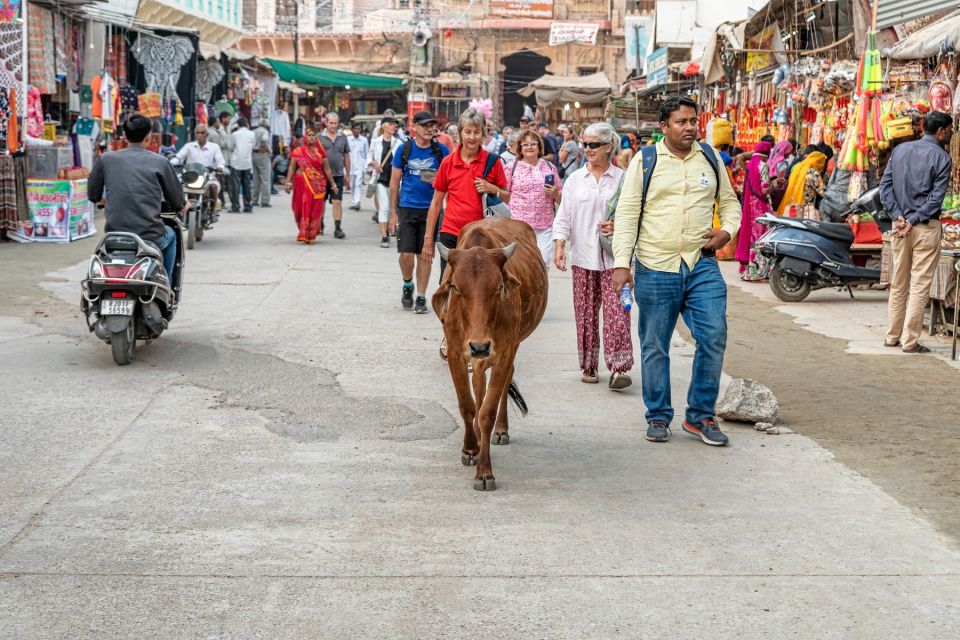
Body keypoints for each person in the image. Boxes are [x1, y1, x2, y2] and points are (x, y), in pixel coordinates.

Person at [611, 96, 740, 446]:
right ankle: (658, 415)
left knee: (713, 335)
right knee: (655, 344)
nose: (689, 127)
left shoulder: (711, 158)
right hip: (656, 265)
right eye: (681, 122)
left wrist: (726, 231)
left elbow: (729, 203)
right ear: (664, 127)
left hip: (701, 264)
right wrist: (622, 263)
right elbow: (627, 213)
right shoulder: (646, 160)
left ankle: (700, 417)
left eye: (693, 121)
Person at [552, 123, 632, 390]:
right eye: (586, 144)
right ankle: (588, 365)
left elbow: (635, 216)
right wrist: (559, 244)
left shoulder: (623, 179)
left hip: (615, 259)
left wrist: (618, 225)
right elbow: (564, 216)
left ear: (609, 147)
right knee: (585, 313)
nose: (588, 149)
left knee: (617, 312)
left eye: (594, 144)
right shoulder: (575, 179)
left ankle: (619, 368)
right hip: (583, 256)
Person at [880, 111, 953, 354]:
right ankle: (909, 341)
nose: (952, 134)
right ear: (941, 131)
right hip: (924, 227)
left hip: (901, 227)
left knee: (898, 283)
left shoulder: (900, 150)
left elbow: (885, 187)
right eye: (950, 130)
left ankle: (892, 336)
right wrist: (910, 219)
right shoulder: (942, 157)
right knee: (920, 285)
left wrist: (898, 216)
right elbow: (935, 199)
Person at [87, 114, 187, 278]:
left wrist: (103, 201)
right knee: (171, 234)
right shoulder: (160, 162)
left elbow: (93, 194)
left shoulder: (106, 159)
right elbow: (177, 201)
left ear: (125, 136)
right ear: (149, 137)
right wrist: (184, 205)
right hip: (151, 237)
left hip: (114, 235)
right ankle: (167, 287)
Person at [421, 108, 507, 280]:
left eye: (477, 132)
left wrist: (492, 188)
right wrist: (428, 238)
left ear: (483, 134)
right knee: (448, 284)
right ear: (460, 133)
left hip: (482, 235)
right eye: (467, 132)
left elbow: (507, 197)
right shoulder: (448, 163)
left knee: (479, 288)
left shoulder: (493, 162)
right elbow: (436, 203)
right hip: (451, 232)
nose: (472, 137)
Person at [389, 111, 450, 312]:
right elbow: (394, 182)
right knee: (406, 254)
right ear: (414, 127)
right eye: (425, 125)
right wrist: (392, 213)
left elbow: (450, 180)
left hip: (431, 210)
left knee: (425, 254)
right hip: (407, 208)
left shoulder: (441, 151)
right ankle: (408, 284)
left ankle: (422, 297)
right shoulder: (404, 149)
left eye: (432, 125)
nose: (429, 129)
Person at [501, 130, 561, 266]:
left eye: (533, 144)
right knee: (521, 267)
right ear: (520, 148)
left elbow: (562, 198)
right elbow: (504, 195)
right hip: (518, 228)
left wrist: (555, 194)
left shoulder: (549, 167)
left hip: (544, 226)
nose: (529, 147)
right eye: (525, 144)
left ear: (539, 146)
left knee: (543, 264)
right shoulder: (511, 168)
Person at [285, 128, 338, 244]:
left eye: (314, 135)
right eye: (309, 135)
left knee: (315, 210)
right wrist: (288, 182)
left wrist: (333, 184)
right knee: (298, 209)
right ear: (305, 137)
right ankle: (303, 230)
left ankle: (310, 233)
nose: (312, 137)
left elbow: (327, 170)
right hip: (301, 184)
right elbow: (292, 167)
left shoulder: (321, 153)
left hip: (317, 186)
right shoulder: (299, 151)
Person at [735, 140, 773, 281]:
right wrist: (775, 184)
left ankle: (747, 272)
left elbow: (740, 158)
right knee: (761, 238)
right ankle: (757, 272)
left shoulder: (750, 165)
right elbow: (764, 190)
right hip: (760, 206)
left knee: (750, 235)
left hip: (750, 205)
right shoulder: (763, 166)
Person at [170, 124, 225, 211]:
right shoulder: (189, 146)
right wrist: (171, 163)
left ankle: (212, 211)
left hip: (208, 179)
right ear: (195, 134)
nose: (200, 135)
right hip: (190, 179)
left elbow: (220, 161)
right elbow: (178, 157)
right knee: (175, 187)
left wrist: (220, 167)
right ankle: (179, 211)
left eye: (202, 133)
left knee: (213, 187)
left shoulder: (214, 147)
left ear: (207, 135)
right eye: (198, 133)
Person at [368, 116, 403, 244]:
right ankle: (384, 236)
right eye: (391, 124)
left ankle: (391, 229)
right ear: (383, 126)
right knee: (384, 207)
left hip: (394, 181)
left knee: (393, 207)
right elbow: (369, 158)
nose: (394, 126)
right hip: (380, 179)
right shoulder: (376, 141)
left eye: (395, 125)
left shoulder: (399, 143)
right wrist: (374, 163)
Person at [319, 112, 350, 239]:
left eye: (335, 123)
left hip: (338, 175)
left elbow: (346, 156)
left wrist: (348, 174)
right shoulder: (319, 137)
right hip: (321, 175)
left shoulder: (343, 137)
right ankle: (319, 225)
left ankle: (337, 228)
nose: (333, 126)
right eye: (331, 123)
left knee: (337, 201)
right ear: (326, 123)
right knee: (321, 201)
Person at [776, 150, 827, 218]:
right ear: (819, 163)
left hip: (789, 205)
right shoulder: (813, 173)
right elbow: (823, 192)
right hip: (804, 209)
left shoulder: (797, 167)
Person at [228, 117, 255, 213]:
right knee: (247, 185)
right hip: (247, 162)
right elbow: (254, 146)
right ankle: (248, 206)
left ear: (238, 125)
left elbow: (230, 147)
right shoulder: (252, 134)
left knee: (235, 185)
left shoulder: (235, 134)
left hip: (236, 162)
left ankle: (235, 206)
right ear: (247, 124)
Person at [208, 112, 233, 209]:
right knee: (220, 182)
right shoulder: (215, 133)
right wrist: (226, 144)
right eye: (218, 121)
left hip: (215, 160)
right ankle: (220, 202)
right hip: (217, 162)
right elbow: (218, 147)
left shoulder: (210, 131)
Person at [766, 140, 794, 210]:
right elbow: (782, 179)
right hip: (777, 195)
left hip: (769, 191)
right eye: (788, 153)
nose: (788, 156)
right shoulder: (783, 163)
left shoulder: (770, 160)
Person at [347, 122, 369, 211]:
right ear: (352, 130)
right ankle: (353, 202)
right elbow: (346, 154)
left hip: (360, 165)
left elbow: (367, 153)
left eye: (358, 129)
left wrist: (367, 166)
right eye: (355, 129)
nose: (357, 130)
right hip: (351, 165)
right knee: (352, 184)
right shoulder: (348, 139)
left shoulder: (364, 140)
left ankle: (357, 202)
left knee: (358, 184)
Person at [251, 120, 273, 208]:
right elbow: (265, 139)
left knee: (256, 179)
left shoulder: (253, 131)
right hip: (263, 155)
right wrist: (269, 151)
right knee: (266, 179)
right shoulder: (264, 132)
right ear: (265, 125)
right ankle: (265, 201)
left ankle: (254, 200)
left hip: (254, 154)